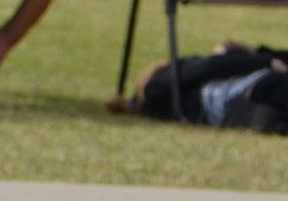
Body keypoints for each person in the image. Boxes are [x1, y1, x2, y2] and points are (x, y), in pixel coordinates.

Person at [117, 42, 288, 133]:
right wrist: (264, 61)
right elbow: (209, 67)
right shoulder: (156, 82)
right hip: (251, 89)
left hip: (248, 101)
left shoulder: (162, 94)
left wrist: (240, 50)